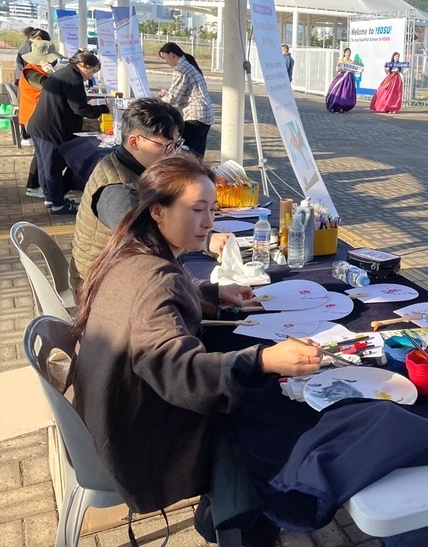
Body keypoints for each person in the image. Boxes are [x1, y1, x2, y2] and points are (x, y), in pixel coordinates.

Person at [71, 154, 322, 538]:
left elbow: (156, 316)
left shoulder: (133, 251)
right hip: (135, 439)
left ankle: (226, 514)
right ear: (158, 211)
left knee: (246, 398)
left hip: (109, 413)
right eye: (197, 209)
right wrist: (265, 359)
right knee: (252, 417)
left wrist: (211, 291)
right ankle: (243, 525)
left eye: (212, 210)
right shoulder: (155, 278)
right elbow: (179, 372)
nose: (209, 222)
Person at [69, 98, 184, 289]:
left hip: (114, 272)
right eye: (166, 146)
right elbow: (151, 246)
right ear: (135, 141)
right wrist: (203, 240)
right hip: (99, 287)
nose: (172, 154)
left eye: (176, 145)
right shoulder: (118, 191)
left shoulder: (127, 165)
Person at [26, 51, 109, 215]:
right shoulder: (73, 78)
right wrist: (104, 109)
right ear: (84, 65)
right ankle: (57, 204)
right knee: (53, 167)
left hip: (40, 126)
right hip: (50, 129)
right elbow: (80, 109)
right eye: (92, 71)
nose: (91, 76)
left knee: (45, 166)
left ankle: (50, 198)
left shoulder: (64, 72)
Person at [19, 41, 64, 199]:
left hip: (38, 118)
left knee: (41, 156)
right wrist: (50, 71)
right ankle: (35, 186)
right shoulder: (31, 72)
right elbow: (51, 85)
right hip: (35, 118)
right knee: (43, 156)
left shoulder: (35, 70)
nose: (54, 61)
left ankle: (42, 187)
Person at [158, 41, 215, 157]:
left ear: (171, 54)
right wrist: (168, 94)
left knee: (186, 153)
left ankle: (189, 174)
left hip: (195, 115)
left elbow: (174, 98)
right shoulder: (189, 64)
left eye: (165, 58)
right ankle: (198, 173)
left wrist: (158, 102)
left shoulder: (181, 69)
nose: (166, 62)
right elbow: (182, 91)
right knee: (197, 153)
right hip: (205, 115)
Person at [326, 47, 357, 113]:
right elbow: (338, 70)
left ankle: (345, 107)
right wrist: (338, 66)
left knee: (347, 93)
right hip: (342, 77)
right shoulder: (341, 61)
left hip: (349, 79)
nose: (349, 54)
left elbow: (354, 70)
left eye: (349, 52)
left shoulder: (352, 62)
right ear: (344, 53)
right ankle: (337, 106)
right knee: (340, 92)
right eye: (347, 52)